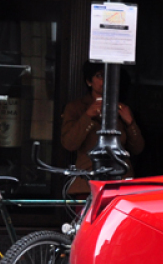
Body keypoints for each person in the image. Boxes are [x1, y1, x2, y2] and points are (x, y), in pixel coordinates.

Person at [60, 61, 144, 195]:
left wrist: (130, 123)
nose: (105, 80)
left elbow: (137, 148)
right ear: (89, 81)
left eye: (110, 76)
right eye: (99, 76)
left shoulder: (122, 108)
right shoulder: (76, 107)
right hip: (87, 182)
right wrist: (87, 116)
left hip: (119, 182)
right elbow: (69, 144)